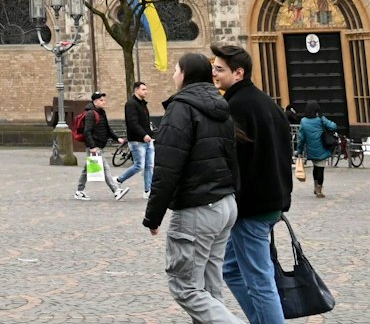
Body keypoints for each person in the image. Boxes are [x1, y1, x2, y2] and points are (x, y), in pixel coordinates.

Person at [142, 52, 240, 324]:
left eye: (176, 70)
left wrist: (153, 216)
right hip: (224, 204)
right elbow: (233, 158)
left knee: (185, 288)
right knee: (209, 290)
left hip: (198, 208)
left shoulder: (181, 108)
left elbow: (167, 166)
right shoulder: (221, 107)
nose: (173, 75)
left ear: (185, 74)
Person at [213, 43, 291, 324]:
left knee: (260, 280)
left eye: (220, 69)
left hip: (252, 207)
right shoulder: (266, 102)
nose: (214, 74)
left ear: (239, 73)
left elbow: (234, 160)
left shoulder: (236, 106)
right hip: (270, 202)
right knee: (231, 268)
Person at [72, 91, 128, 200]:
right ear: (95, 101)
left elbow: (107, 129)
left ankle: (79, 191)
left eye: (104, 100)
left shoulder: (101, 112)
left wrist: (117, 138)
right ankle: (116, 190)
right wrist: (92, 147)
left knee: (87, 169)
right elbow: (87, 132)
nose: (104, 102)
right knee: (105, 168)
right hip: (94, 147)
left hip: (98, 146)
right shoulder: (91, 114)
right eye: (101, 100)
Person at [119, 81, 156, 195]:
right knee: (139, 165)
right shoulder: (131, 104)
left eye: (146, 89)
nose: (146, 91)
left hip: (148, 140)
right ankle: (119, 179)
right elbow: (132, 123)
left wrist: (150, 135)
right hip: (137, 140)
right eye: (143, 89)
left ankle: (148, 190)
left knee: (149, 166)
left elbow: (145, 122)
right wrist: (143, 134)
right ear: (136, 90)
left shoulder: (143, 104)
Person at [296, 104, 338, 199]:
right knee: (320, 169)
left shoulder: (303, 121)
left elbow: (301, 137)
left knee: (315, 167)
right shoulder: (320, 119)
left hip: (311, 149)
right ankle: (319, 189)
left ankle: (315, 186)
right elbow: (333, 126)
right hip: (322, 148)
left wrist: (299, 150)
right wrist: (323, 118)